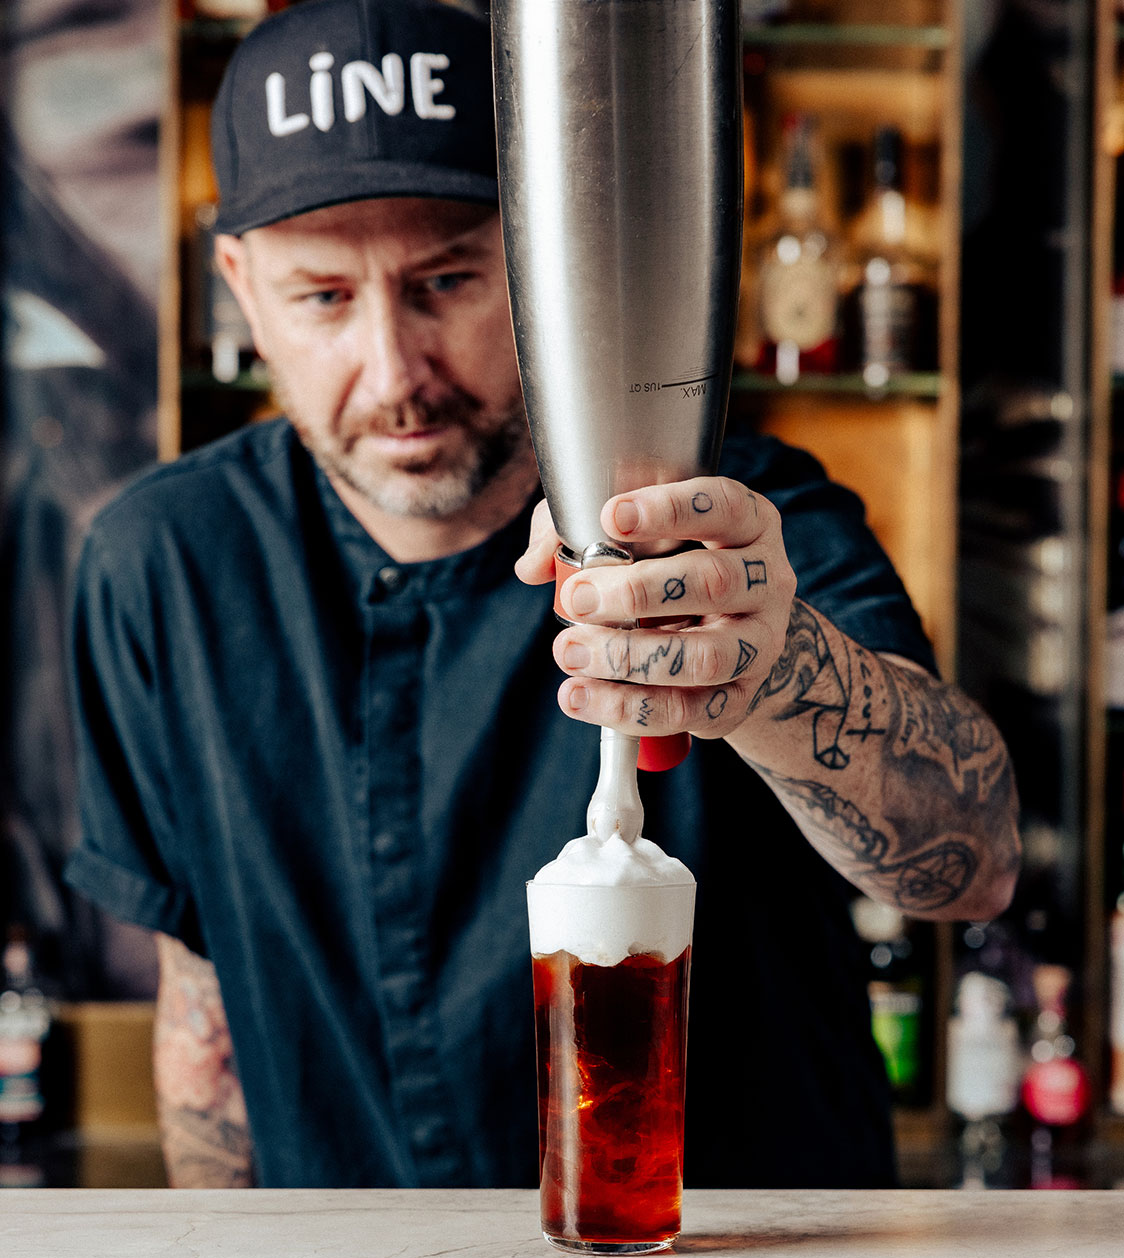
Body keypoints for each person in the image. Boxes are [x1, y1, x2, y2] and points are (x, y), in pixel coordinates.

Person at [64, 0, 1020, 1190]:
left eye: (446, 279)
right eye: (321, 298)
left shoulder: (733, 518)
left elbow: (973, 861)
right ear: (239, 287)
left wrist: (772, 677)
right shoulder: (162, 565)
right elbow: (198, 1012)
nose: (395, 372)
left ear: (539, 258)